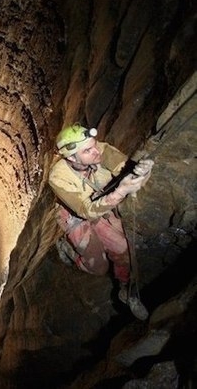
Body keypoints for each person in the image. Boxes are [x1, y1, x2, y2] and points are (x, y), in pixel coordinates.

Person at [48, 122, 154, 320]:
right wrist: (121, 191)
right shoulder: (58, 177)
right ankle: (71, 252)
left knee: (123, 248)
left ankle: (126, 289)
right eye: (88, 150)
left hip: (102, 206)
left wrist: (142, 173)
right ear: (71, 157)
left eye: (94, 144)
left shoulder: (102, 151)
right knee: (99, 268)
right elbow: (85, 211)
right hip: (76, 215)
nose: (96, 151)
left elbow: (128, 171)